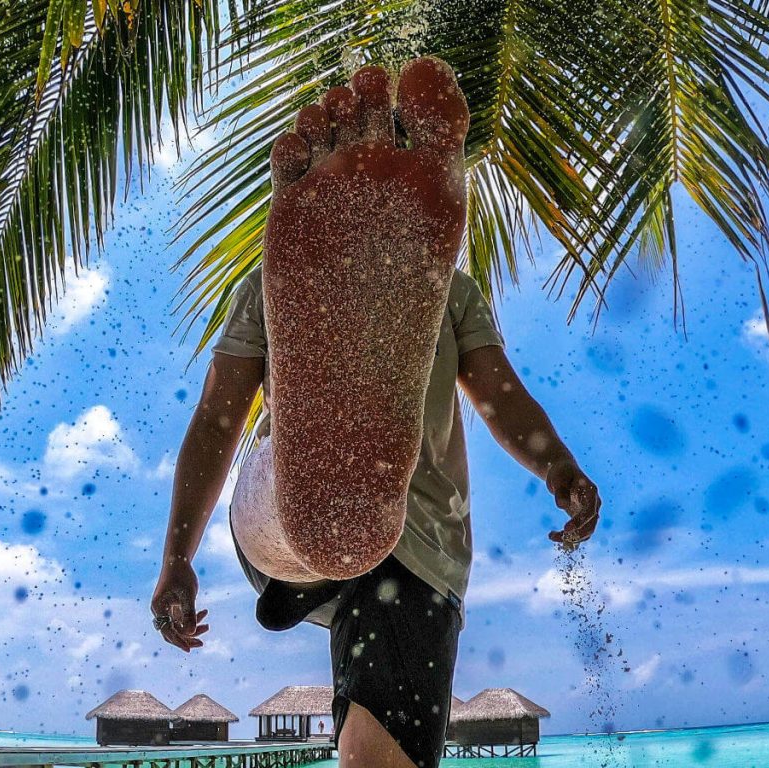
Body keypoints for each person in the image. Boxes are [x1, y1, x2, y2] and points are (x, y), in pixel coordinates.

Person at [152, 56, 601, 768]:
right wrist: (559, 468)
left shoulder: (280, 283)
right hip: (421, 545)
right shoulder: (451, 294)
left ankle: (306, 522)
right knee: (384, 750)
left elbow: (217, 421)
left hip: (293, 535)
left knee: (312, 531)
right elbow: (500, 399)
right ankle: (321, 508)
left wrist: (178, 557)